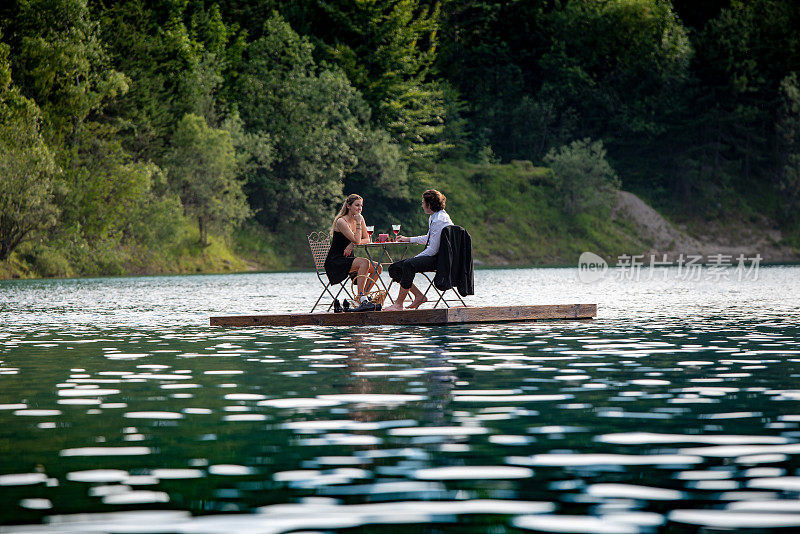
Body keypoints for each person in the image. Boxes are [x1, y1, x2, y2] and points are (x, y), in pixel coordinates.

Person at [383, 189, 452, 311]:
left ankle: (398, 304)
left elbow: (433, 250)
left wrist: (413, 259)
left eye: (423, 202)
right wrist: (407, 239)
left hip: (441, 259)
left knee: (409, 264)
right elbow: (429, 238)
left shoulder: (439, 219)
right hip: (437, 255)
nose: (422, 205)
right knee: (394, 268)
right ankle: (419, 296)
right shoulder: (436, 216)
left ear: (429, 205)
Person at [324, 194, 382, 312]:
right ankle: (362, 298)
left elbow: (367, 239)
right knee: (364, 262)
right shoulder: (341, 221)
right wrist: (358, 226)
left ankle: (362, 297)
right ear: (349, 206)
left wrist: (352, 244)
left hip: (349, 259)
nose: (359, 208)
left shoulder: (359, 218)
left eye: (361, 206)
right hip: (336, 261)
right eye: (357, 205)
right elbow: (357, 240)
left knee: (378, 267)